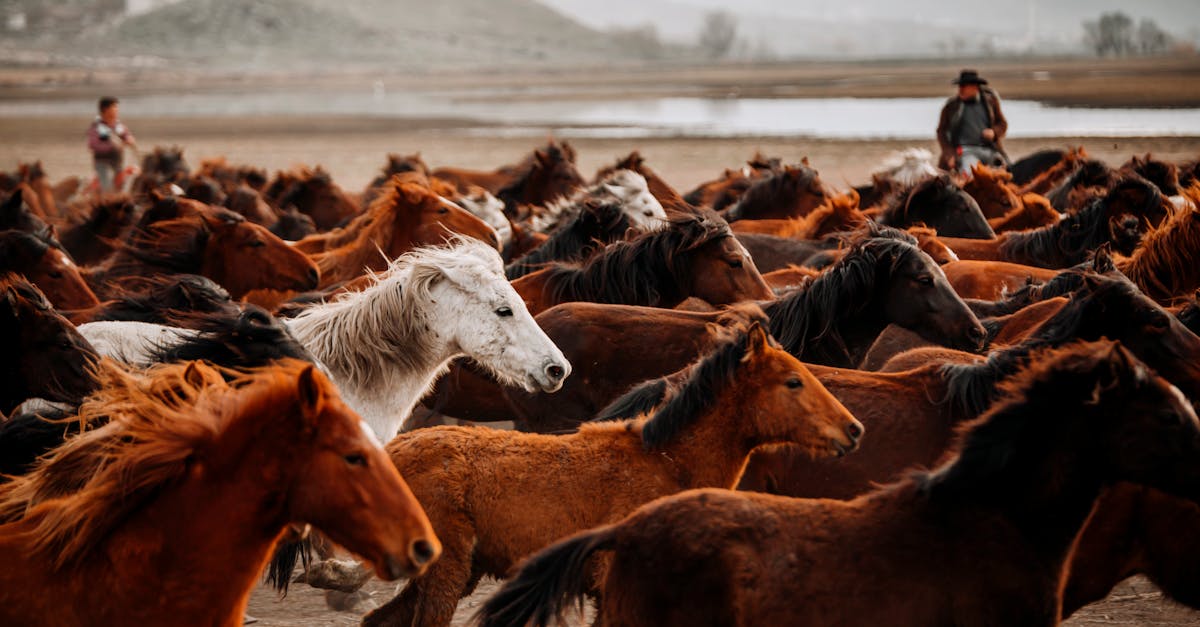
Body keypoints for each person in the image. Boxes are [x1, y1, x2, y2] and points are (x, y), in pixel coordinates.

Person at [936, 69, 1008, 176]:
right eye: (960, 86)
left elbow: (1002, 124)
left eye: (964, 86)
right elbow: (941, 131)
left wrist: (993, 132)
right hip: (964, 151)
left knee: (1007, 171)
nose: (960, 89)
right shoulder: (951, 106)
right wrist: (949, 154)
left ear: (975, 87)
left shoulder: (990, 102)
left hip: (989, 149)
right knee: (969, 174)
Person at [87, 96, 137, 193]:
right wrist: (113, 146)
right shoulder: (97, 127)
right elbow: (92, 145)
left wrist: (129, 140)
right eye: (114, 107)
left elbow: (126, 135)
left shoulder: (117, 125)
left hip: (117, 164)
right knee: (108, 188)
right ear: (106, 110)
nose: (117, 110)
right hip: (103, 163)